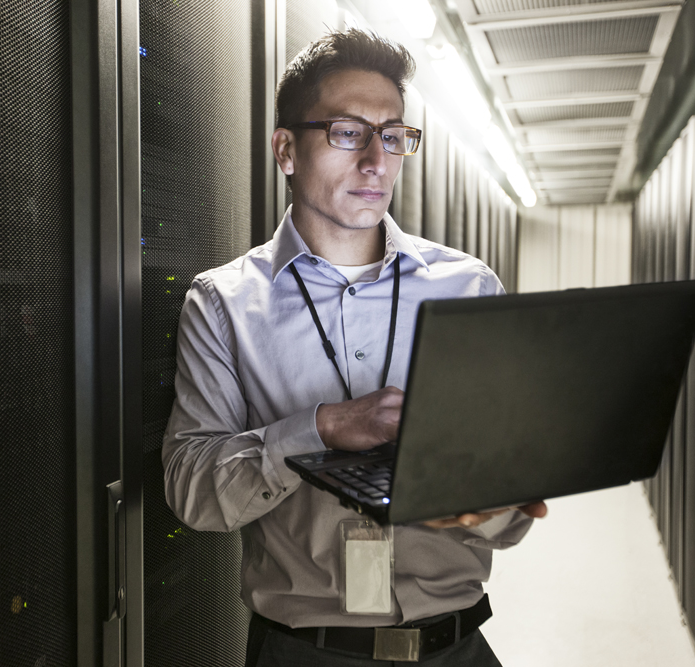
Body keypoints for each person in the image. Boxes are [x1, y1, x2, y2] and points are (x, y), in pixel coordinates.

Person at [162, 29, 547, 666]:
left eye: (393, 135)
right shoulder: (225, 303)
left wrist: (493, 497)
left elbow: (511, 511)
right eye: (348, 132)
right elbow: (192, 488)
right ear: (286, 150)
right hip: (303, 652)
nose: (377, 160)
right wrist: (320, 430)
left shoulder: (468, 287)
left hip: (456, 648)